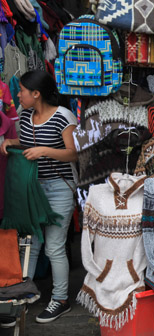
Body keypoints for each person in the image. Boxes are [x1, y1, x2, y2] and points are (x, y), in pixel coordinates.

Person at [0, 71, 77, 324]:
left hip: (59, 188)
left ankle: (61, 299)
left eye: (21, 90)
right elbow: (26, 141)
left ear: (36, 94)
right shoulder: (25, 116)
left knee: (54, 247)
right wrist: (11, 141)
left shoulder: (63, 116)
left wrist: (45, 151)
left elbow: (73, 154)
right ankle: (20, 300)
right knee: (30, 246)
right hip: (32, 188)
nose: (17, 95)